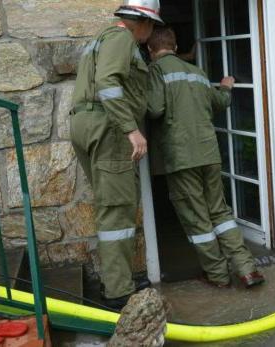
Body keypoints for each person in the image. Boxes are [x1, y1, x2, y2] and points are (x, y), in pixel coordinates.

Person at [146, 27, 265, 289]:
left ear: (150, 50)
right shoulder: (198, 73)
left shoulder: (156, 71)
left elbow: (154, 109)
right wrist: (225, 87)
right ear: (175, 47)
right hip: (209, 152)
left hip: (181, 156)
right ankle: (247, 269)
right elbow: (220, 102)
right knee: (220, 212)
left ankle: (218, 275)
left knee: (197, 219)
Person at [70, 0, 164, 309]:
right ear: (143, 22)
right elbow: (108, 83)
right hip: (108, 128)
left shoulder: (103, 37)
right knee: (118, 210)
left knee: (111, 204)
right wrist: (131, 129)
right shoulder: (122, 39)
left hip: (85, 123)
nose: (151, 34)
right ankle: (117, 290)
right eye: (152, 27)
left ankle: (118, 277)